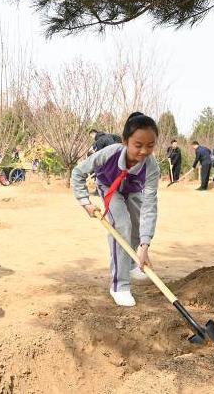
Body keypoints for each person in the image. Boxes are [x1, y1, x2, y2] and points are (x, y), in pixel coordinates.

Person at [71, 112, 161, 307]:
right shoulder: (109, 152)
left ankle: (129, 264)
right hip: (109, 187)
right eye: (138, 145)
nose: (144, 151)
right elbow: (78, 172)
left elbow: (149, 206)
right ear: (125, 141)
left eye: (150, 146)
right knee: (121, 226)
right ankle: (119, 286)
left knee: (136, 228)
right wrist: (85, 201)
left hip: (133, 190)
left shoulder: (152, 167)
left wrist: (145, 247)